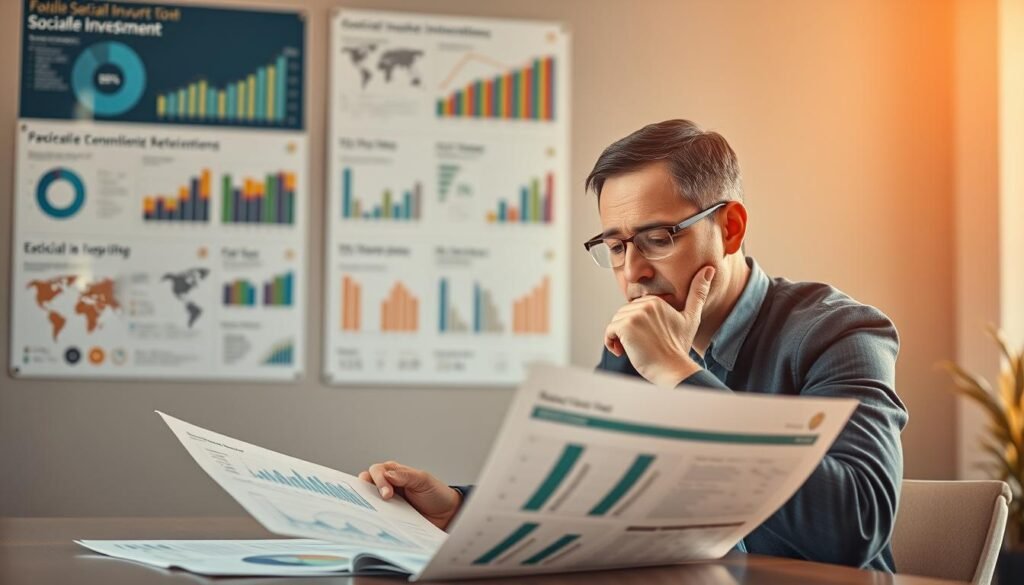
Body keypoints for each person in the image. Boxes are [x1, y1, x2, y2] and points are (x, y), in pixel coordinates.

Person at [358, 119, 908, 572]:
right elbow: (579, 496)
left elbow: (852, 530)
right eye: (616, 247)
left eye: (657, 238)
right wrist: (457, 507)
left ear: (732, 228)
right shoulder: (632, 345)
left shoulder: (840, 334)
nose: (634, 272)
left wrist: (677, 373)